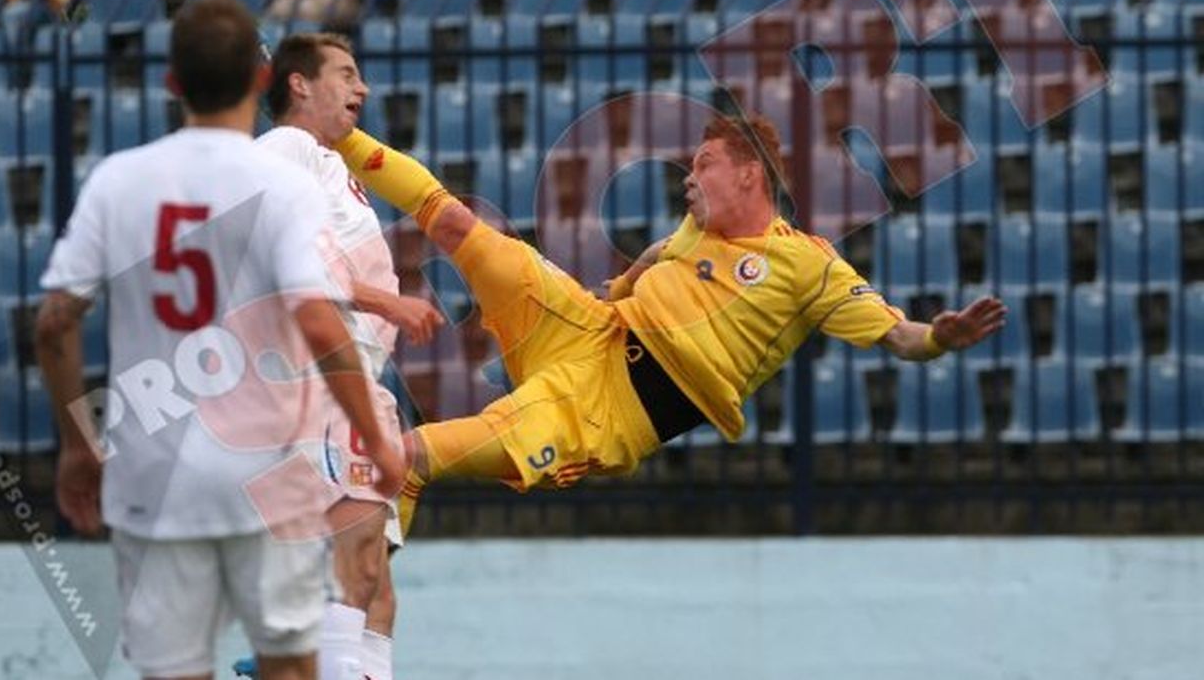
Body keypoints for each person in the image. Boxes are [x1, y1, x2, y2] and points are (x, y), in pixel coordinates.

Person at [328, 114, 1008, 537]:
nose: (688, 180)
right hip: (591, 327)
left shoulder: (809, 266)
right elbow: (664, 252)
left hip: (606, 409)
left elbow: (902, 337)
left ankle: (348, 646)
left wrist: (942, 336)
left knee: (410, 455)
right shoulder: (697, 227)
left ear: (749, 176)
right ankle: (338, 136)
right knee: (456, 223)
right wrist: (623, 284)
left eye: (703, 166)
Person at [34, 0, 404, 680]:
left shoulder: (119, 179)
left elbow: (55, 321)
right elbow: (317, 317)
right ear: (263, 81)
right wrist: (374, 435)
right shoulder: (280, 179)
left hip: (156, 473)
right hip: (264, 459)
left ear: (173, 82)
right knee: (293, 661)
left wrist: (77, 447)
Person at [252, 31, 443, 680]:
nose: (361, 88)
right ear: (299, 84)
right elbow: (288, 260)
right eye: (346, 73)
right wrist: (385, 302)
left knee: (378, 590)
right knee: (352, 570)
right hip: (321, 380)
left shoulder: (328, 161)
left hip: (359, 379)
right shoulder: (286, 147)